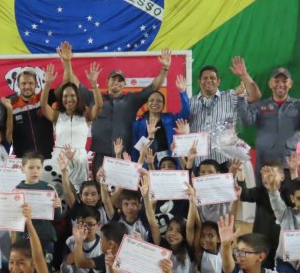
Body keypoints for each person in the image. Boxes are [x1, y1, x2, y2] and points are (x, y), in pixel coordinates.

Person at [78, 47, 172, 175]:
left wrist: (165, 68)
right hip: (101, 155)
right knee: (100, 189)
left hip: (124, 155)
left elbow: (154, 87)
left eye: (120, 80)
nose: (116, 82)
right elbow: (75, 85)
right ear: (107, 82)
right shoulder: (94, 98)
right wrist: (66, 63)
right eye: (113, 79)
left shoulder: (132, 100)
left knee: (123, 190)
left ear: (124, 84)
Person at [237, 69, 300, 172]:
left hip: (290, 164)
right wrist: (241, 99)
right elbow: (246, 121)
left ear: (291, 84)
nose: (280, 84)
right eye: (276, 81)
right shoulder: (260, 106)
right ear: (270, 84)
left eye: (285, 81)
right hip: (265, 165)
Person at [39, 60, 103, 191]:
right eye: (65, 96)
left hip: (80, 157)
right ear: (61, 99)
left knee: (80, 192)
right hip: (59, 157)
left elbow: (99, 106)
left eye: (72, 96)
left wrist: (94, 85)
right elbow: (43, 105)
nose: (69, 99)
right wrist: (47, 84)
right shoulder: (57, 115)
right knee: (58, 191)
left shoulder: (86, 115)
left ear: (78, 97)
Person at [188, 58, 261, 165]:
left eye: (212, 78)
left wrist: (244, 75)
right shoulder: (190, 103)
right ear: (199, 82)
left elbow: (255, 96)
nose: (209, 80)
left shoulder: (230, 96)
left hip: (227, 160)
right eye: (205, 78)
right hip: (200, 162)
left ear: (219, 81)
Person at [131, 73, 190, 164]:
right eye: (151, 100)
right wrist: (136, 168)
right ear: (147, 104)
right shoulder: (138, 124)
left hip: (169, 164)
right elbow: (136, 150)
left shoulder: (170, 119)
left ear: (163, 105)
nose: (155, 103)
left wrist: (182, 92)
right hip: (148, 165)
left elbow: (186, 111)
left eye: (159, 101)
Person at [8, 68, 55, 159]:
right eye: (23, 83)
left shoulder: (45, 98)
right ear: (18, 85)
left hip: (48, 157)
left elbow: (67, 86)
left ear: (36, 84)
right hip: (23, 160)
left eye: (30, 83)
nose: (27, 86)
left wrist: (66, 62)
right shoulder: (10, 106)